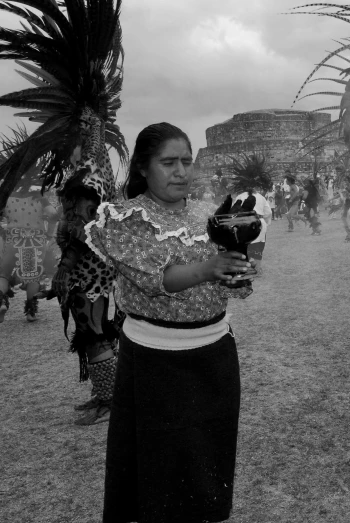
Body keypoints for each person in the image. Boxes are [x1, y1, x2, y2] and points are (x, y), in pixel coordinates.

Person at [86, 123, 257, 522]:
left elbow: (226, 281)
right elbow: (156, 280)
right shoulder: (125, 220)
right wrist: (211, 267)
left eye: (186, 161)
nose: (181, 171)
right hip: (155, 361)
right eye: (168, 162)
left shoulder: (209, 216)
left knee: (208, 452)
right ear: (144, 168)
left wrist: (237, 271)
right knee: (158, 461)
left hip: (214, 353)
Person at [0, 168, 57, 322]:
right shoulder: (38, 197)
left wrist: (2, 232)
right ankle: (31, 312)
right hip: (35, 242)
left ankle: (0, 301)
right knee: (33, 276)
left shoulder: (6, 197)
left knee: (3, 274)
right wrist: (49, 234)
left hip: (13, 240)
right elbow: (53, 215)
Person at [236, 189, 271, 264]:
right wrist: (266, 222)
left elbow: (234, 211)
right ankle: (257, 267)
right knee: (258, 248)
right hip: (259, 222)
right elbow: (268, 212)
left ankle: (248, 265)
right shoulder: (261, 197)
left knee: (246, 247)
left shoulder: (240, 196)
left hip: (245, 223)